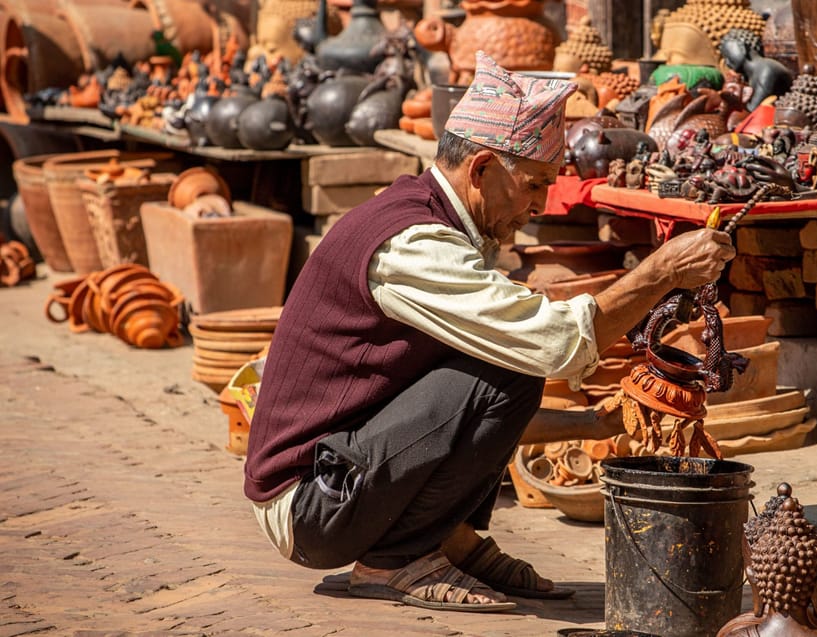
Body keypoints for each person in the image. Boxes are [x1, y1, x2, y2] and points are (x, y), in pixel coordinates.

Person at [243, 52, 737, 613]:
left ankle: (447, 537)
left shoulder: (436, 222)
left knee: (506, 359)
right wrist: (660, 273)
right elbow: (548, 346)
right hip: (314, 503)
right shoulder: (414, 244)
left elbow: (464, 413)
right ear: (481, 170)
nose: (539, 206)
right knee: (517, 362)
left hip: (340, 480)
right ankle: (396, 559)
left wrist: (589, 423)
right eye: (533, 185)